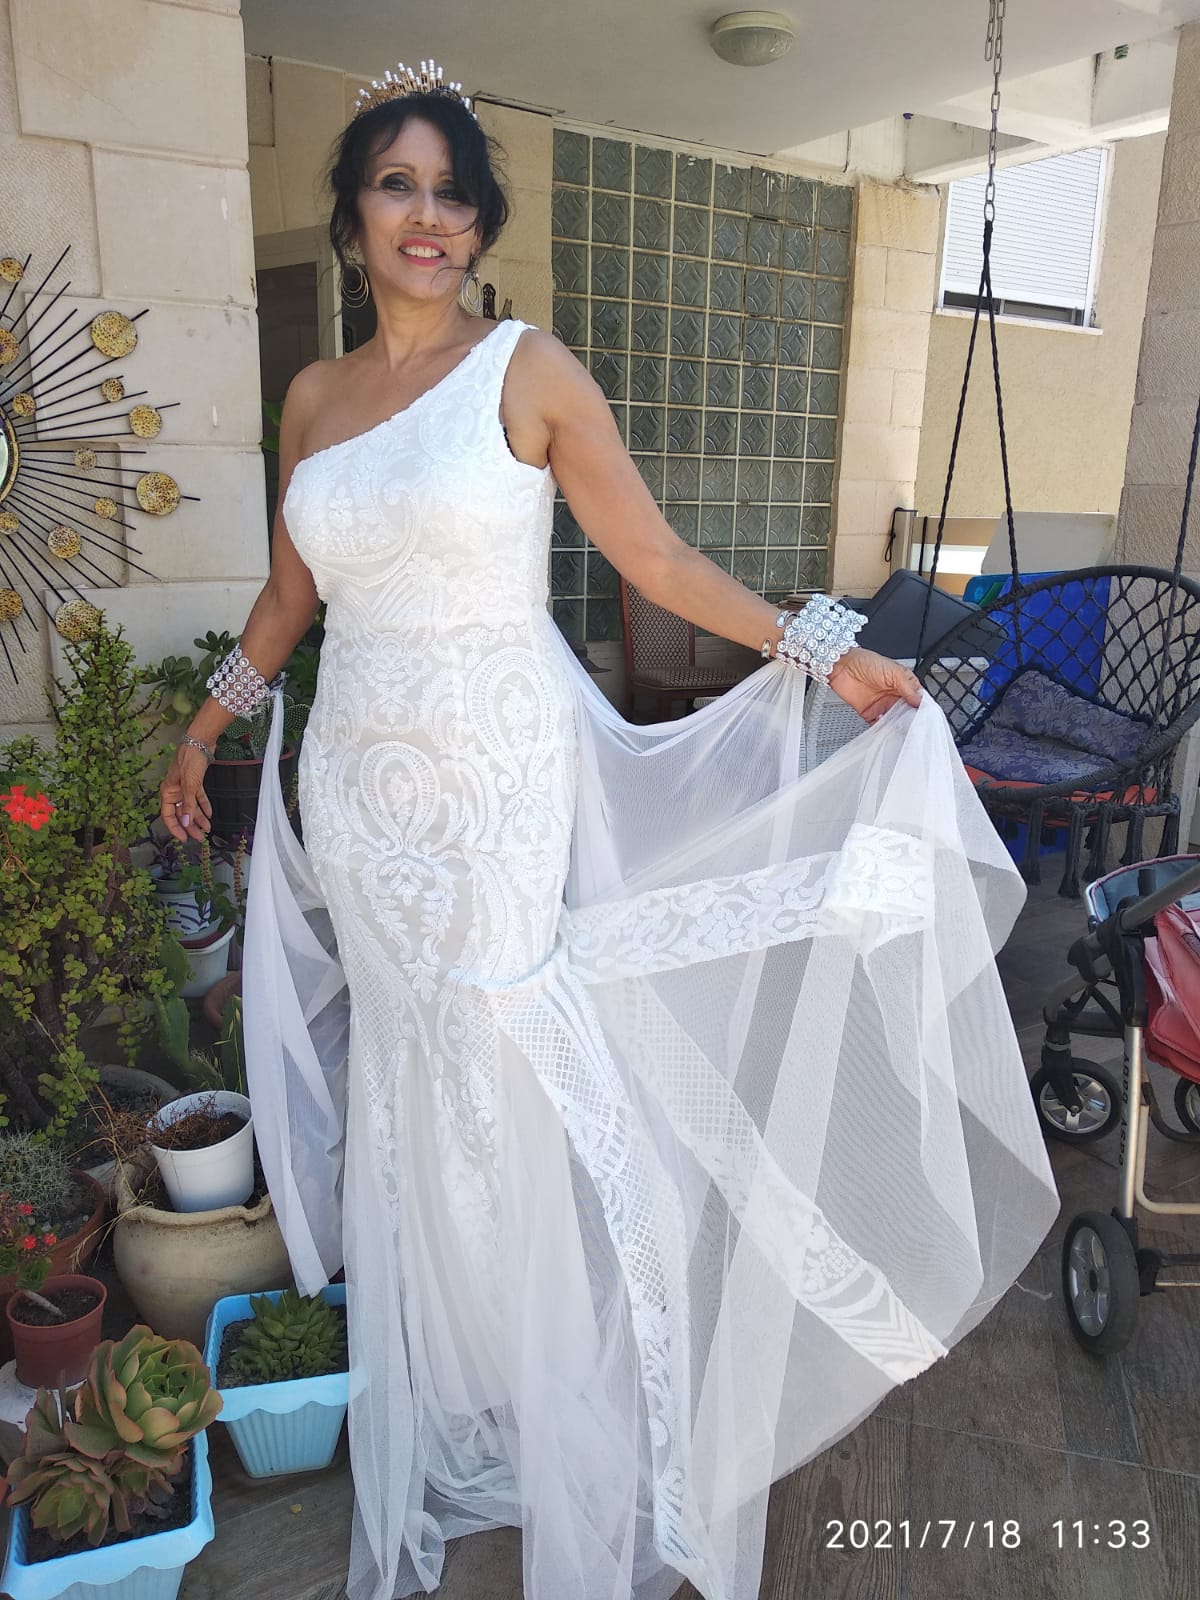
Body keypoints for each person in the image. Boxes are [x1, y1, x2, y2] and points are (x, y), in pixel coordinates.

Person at [159, 61, 1058, 1600]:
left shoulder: (529, 369)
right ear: (353, 213)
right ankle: (457, 1385)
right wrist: (203, 728)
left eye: (453, 191)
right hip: (361, 795)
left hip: (495, 781)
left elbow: (653, 560)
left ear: (480, 220)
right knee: (411, 1083)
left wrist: (823, 647)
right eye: (396, 185)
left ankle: (577, 1388)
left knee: (504, 1074)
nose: (426, 216)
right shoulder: (311, 398)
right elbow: (291, 598)